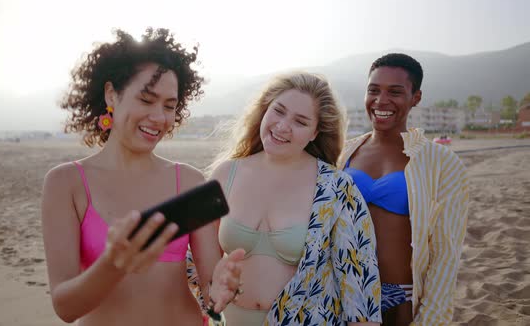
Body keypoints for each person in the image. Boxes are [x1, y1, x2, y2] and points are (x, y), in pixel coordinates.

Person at [41, 28, 243, 326]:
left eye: (169, 106)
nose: (159, 117)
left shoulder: (188, 180)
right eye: (146, 100)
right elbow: (65, 307)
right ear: (112, 94)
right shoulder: (66, 183)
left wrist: (223, 287)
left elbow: (211, 285)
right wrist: (113, 263)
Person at [207, 72, 382, 325]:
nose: (282, 126)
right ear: (265, 110)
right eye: (278, 111)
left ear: (315, 133)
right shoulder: (226, 174)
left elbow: (359, 284)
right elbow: (199, 267)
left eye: (300, 121)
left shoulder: (336, 187)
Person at [339, 53, 469, 325]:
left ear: (416, 98)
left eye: (395, 92)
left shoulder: (442, 163)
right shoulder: (343, 154)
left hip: (401, 296)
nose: (381, 100)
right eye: (373, 90)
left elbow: (446, 253)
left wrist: (430, 317)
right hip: (341, 291)